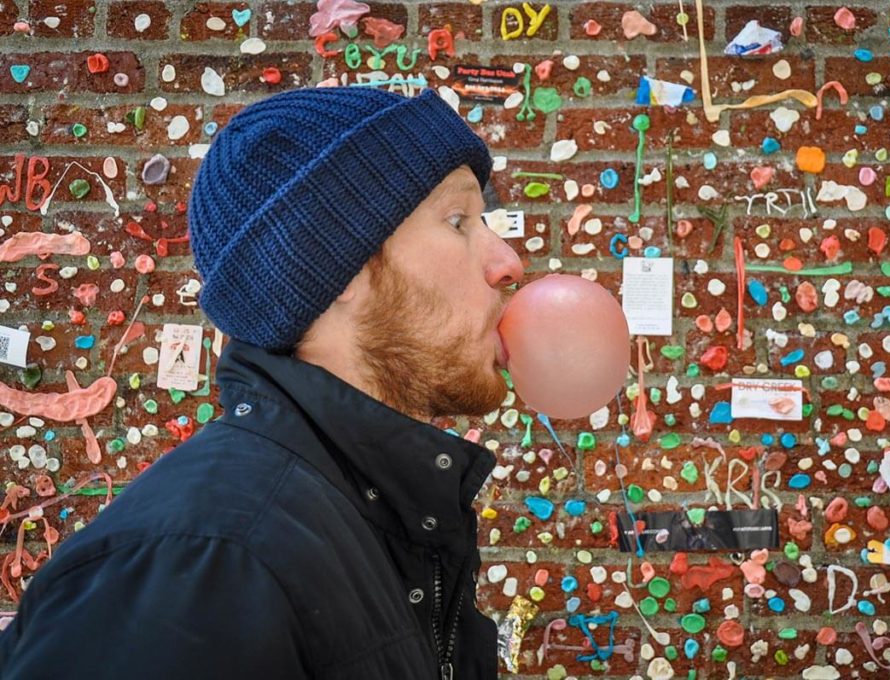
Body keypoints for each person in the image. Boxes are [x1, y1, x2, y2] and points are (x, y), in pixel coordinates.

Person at [0, 86, 524, 679]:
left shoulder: (365, 514)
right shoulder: (205, 561)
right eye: (457, 220)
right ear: (339, 265)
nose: (509, 262)